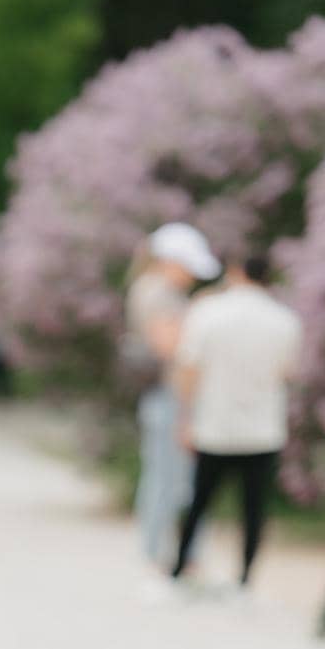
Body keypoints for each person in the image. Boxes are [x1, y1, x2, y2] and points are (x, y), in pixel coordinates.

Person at [171, 254, 302, 591]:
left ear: (234, 273)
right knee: (254, 509)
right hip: (262, 428)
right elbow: (287, 372)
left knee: (199, 502)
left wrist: (185, 417)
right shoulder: (285, 320)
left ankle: (177, 570)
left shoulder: (207, 313)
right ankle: (244, 578)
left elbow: (189, 368)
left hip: (214, 423)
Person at [123, 223, 220, 573]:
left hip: (171, 395)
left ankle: (173, 554)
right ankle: (160, 556)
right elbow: (169, 346)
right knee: (167, 480)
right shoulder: (157, 292)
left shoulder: (154, 290)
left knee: (169, 478)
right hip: (169, 396)